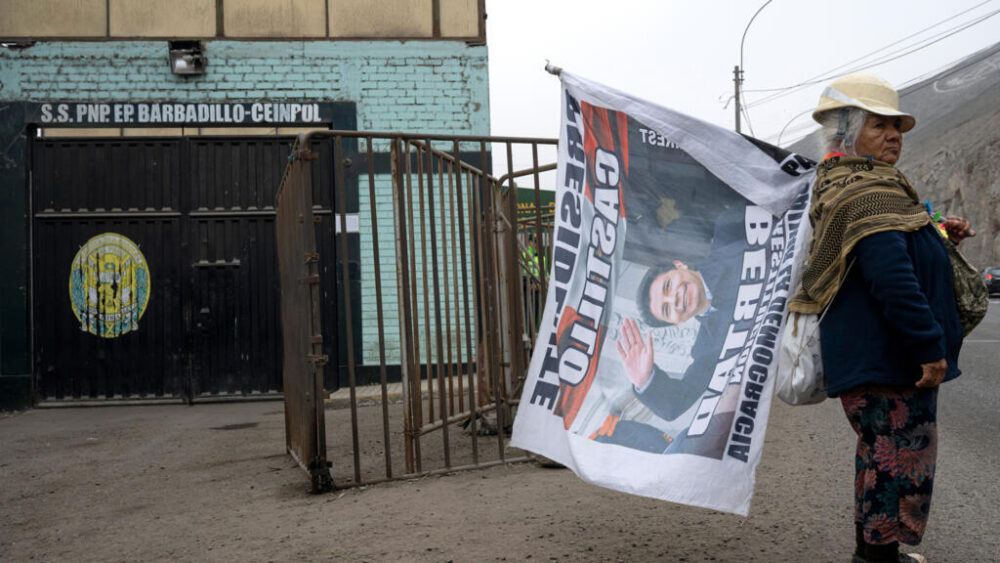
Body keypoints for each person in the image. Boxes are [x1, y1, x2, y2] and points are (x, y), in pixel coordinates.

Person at [787, 73, 974, 563]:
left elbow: (886, 256)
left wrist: (939, 241)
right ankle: (875, 559)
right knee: (896, 464)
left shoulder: (855, 186)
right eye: (880, 124)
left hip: (873, 359)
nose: (894, 135)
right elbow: (891, 279)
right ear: (846, 132)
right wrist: (928, 348)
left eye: (897, 126)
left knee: (879, 460)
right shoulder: (868, 193)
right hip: (891, 362)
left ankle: (873, 554)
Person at [615, 202, 747, 424]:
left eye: (667, 286)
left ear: (679, 265)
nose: (674, 298)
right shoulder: (708, 349)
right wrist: (645, 380)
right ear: (676, 323)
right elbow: (674, 405)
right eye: (667, 309)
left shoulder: (729, 231)